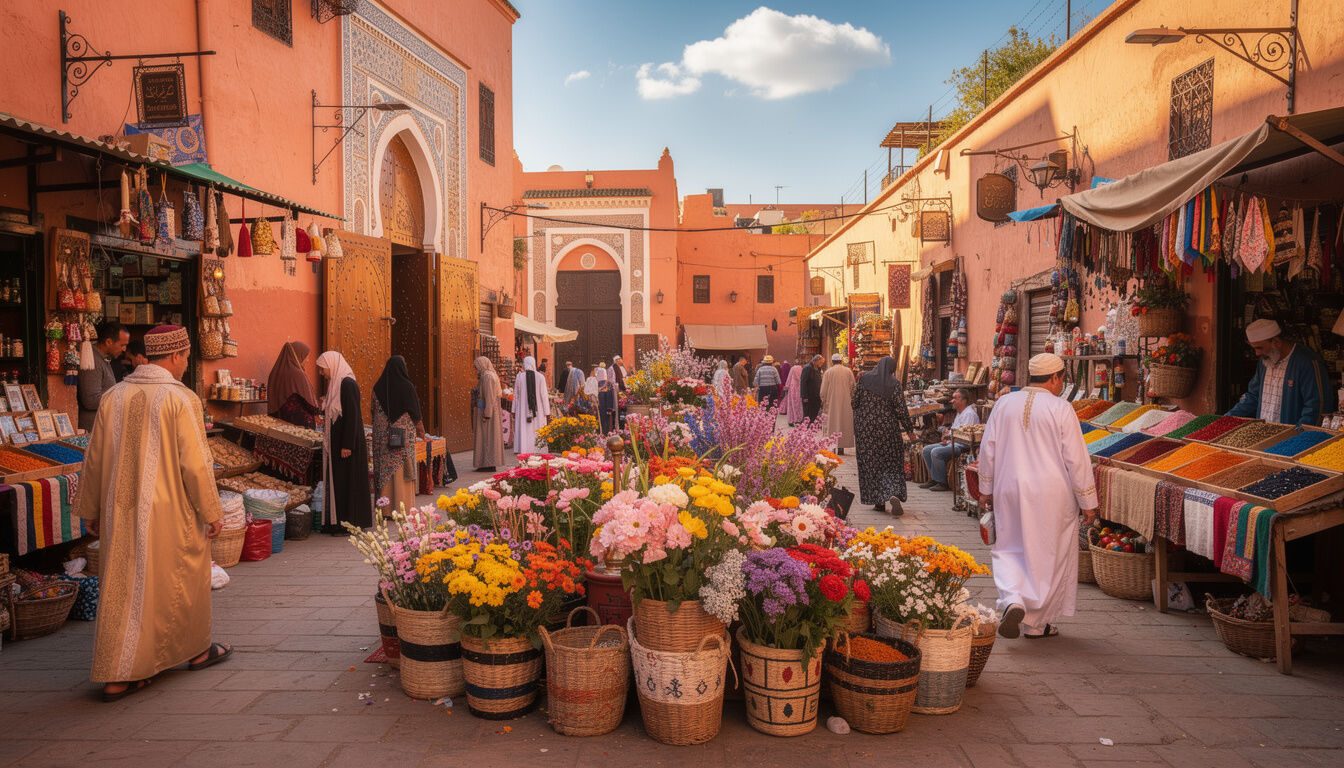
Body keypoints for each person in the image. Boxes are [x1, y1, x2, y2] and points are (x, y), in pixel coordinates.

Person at [73, 325, 230, 702]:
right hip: (170, 511)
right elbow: (195, 465)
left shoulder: (114, 396)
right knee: (180, 577)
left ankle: (120, 673)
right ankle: (193, 652)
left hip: (119, 510)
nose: (185, 363)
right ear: (175, 356)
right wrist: (212, 511)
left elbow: (93, 459)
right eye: (186, 356)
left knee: (125, 586)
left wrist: (90, 508)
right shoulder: (181, 398)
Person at [979, 353, 1100, 640]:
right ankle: (1037, 623)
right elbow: (1076, 459)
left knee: (1008, 547)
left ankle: (1013, 600)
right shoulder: (1061, 408)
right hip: (1051, 494)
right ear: (1056, 378)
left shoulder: (1004, 403)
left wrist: (985, 488)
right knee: (1048, 554)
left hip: (1009, 488)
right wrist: (1088, 502)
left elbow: (988, 447)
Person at [1226, 318, 1334, 425]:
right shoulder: (1265, 360)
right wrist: (1227, 419)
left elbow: (1315, 407)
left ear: (1276, 342)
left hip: (1291, 437)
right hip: (1264, 434)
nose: (1257, 353)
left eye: (1259, 348)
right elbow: (1253, 396)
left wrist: (1297, 435)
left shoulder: (1307, 362)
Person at [317, 351, 373, 531]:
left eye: (322, 368)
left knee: (349, 484)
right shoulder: (336, 384)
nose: (321, 373)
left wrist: (347, 445)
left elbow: (353, 417)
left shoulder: (347, 384)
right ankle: (339, 522)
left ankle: (350, 522)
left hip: (348, 445)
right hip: (339, 443)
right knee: (341, 484)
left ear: (332, 364)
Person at [852, 356, 915, 515]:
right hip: (888, 431)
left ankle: (879, 502)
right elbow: (901, 410)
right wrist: (910, 430)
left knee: (872, 465)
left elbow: (854, 403)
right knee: (891, 463)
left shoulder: (864, 379)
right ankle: (893, 492)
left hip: (866, 432)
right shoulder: (894, 384)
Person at [371, 356, 427, 516]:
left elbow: (373, 410)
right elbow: (415, 412)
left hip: (382, 438)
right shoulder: (406, 386)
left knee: (385, 470)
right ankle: (402, 508)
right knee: (402, 471)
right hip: (402, 438)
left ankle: (385, 509)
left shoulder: (378, 387)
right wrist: (421, 432)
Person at [920, 388, 980, 492]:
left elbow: (963, 434)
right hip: (953, 442)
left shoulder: (969, 414)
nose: (952, 401)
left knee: (936, 452)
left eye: (955, 398)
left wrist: (949, 436)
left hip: (962, 446)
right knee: (926, 450)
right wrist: (947, 437)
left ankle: (942, 482)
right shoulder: (960, 413)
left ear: (963, 400)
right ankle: (934, 479)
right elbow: (954, 430)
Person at [77, 320, 130, 431]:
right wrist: (120, 397)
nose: (124, 349)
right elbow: (90, 400)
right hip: (93, 430)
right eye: (122, 345)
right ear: (109, 342)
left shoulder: (102, 358)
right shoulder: (93, 360)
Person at [266, 341, 320, 428]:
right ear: (298, 355)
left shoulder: (275, 372)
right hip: (298, 424)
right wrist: (317, 410)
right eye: (306, 356)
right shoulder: (297, 374)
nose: (307, 360)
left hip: (279, 422)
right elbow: (310, 403)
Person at [513, 356, 550, 455]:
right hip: (539, 410)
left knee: (525, 429)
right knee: (537, 429)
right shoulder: (540, 377)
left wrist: (514, 410)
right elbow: (544, 395)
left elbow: (516, 395)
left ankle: (524, 448)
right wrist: (547, 411)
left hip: (523, 409)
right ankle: (539, 448)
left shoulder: (519, 377)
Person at [820, 353, 856, 455]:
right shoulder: (848, 371)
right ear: (841, 361)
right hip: (846, 402)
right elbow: (853, 386)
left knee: (833, 422)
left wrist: (823, 399)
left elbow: (823, 390)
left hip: (831, 402)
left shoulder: (828, 372)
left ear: (832, 361)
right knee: (844, 423)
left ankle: (833, 445)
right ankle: (841, 448)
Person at [473, 356, 504, 471]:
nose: (476, 369)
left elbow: (489, 396)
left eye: (476, 367)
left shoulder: (487, 377)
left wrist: (487, 414)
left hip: (487, 412)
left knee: (487, 438)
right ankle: (486, 463)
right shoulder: (488, 375)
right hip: (488, 410)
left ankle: (488, 464)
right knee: (488, 438)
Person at [801, 354, 825, 422]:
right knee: (807, 413)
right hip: (808, 395)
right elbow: (803, 382)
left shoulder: (818, 368)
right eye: (821, 362)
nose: (821, 364)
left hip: (816, 395)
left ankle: (811, 426)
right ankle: (806, 428)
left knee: (815, 411)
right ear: (816, 361)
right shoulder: (807, 368)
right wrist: (804, 396)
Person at [596, 367, 617, 433]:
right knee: (606, 422)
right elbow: (610, 396)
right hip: (606, 407)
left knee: (599, 421)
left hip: (598, 406)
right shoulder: (608, 384)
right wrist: (610, 408)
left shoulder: (596, 383)